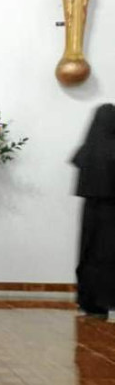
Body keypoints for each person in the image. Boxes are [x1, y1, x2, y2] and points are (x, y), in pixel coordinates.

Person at [72, 103, 115, 317]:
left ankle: (89, 303)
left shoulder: (87, 149)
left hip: (90, 209)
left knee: (89, 254)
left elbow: (78, 163)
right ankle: (107, 299)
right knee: (108, 256)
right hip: (112, 210)